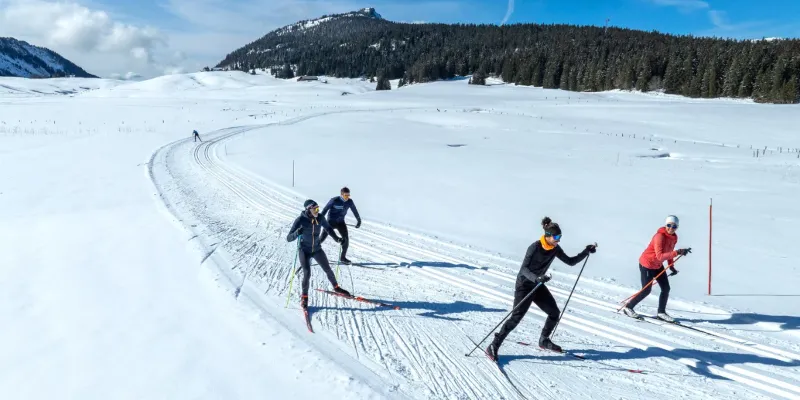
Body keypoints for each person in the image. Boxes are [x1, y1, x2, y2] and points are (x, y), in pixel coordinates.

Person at [486, 217, 597, 360]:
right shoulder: (535, 247)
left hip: (538, 285)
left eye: (560, 237)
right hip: (524, 285)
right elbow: (524, 269)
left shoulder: (555, 249)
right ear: (548, 236)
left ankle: (544, 340)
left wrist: (586, 251)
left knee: (554, 313)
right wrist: (536, 278)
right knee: (516, 317)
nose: (558, 240)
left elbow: (570, 262)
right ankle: (493, 345)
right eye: (556, 237)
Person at [622, 215, 691, 322]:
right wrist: (677, 252)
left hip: (658, 265)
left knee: (666, 288)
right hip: (647, 264)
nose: (671, 228)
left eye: (674, 226)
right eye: (669, 225)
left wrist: (671, 267)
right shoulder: (659, 236)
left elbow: (669, 253)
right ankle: (628, 307)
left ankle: (661, 313)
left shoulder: (674, 238)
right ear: (666, 225)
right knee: (646, 290)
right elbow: (660, 256)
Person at [287, 199, 352, 309]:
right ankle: (304, 297)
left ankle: (336, 287)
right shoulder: (300, 220)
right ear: (308, 209)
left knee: (328, 269)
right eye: (315, 209)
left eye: (318, 208)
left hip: (317, 249)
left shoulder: (320, 218)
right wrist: (297, 233)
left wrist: (337, 239)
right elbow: (289, 238)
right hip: (304, 250)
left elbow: (328, 229)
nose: (317, 211)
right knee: (307, 273)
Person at [319, 187, 362, 265]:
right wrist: (319, 219)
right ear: (341, 195)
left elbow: (354, 210)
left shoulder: (350, 201)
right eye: (346, 195)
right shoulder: (334, 200)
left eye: (348, 195)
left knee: (346, 239)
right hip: (330, 222)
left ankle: (343, 258)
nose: (347, 197)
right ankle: (310, 253)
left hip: (341, 222)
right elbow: (325, 209)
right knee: (321, 239)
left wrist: (358, 220)